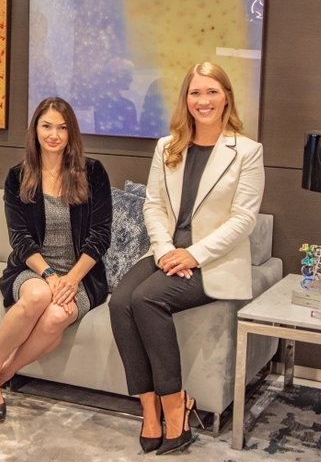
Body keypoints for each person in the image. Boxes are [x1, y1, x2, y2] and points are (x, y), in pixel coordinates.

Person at [109, 62, 264, 455]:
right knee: (120, 301)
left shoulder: (247, 151)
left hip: (213, 260)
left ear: (226, 97)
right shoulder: (168, 146)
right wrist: (166, 251)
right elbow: (153, 205)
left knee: (146, 299)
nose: (203, 100)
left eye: (212, 91)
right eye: (196, 92)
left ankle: (176, 409)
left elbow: (243, 220)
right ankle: (150, 411)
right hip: (166, 250)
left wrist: (192, 254)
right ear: (186, 99)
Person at [0, 97, 112, 422]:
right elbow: (20, 239)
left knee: (56, 315)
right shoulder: (17, 176)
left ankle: (1, 373)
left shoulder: (93, 172)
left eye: (62, 128)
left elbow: (100, 236)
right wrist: (51, 276)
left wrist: (71, 279)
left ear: (71, 132)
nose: (54, 135)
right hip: (33, 269)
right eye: (47, 126)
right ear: (35, 130)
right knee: (38, 295)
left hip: (82, 276)